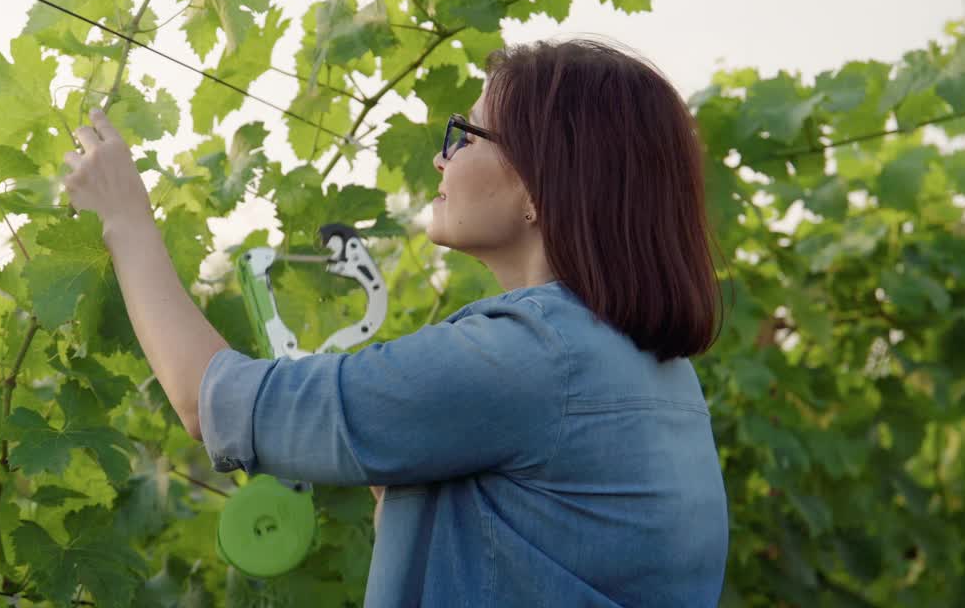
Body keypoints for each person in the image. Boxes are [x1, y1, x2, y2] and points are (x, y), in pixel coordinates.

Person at [62, 37, 730, 607]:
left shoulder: (531, 357)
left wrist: (124, 218)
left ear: (539, 185)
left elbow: (211, 404)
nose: (442, 158)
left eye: (467, 136)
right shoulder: (648, 369)